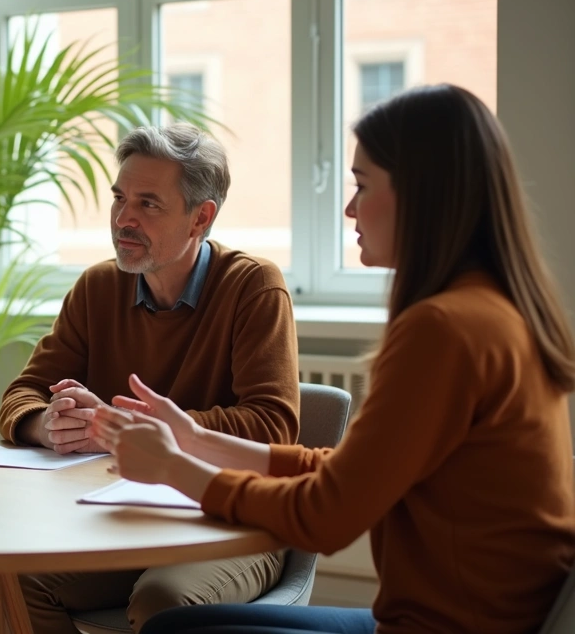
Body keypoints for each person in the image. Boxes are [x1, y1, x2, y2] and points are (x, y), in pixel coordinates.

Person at [94, 84, 575, 634]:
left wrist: (173, 468)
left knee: (174, 628)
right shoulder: (491, 308)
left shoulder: (443, 328)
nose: (349, 207)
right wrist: (193, 437)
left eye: (362, 185)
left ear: (423, 194)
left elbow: (326, 516)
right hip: (473, 618)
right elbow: (349, 473)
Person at [0, 123, 301, 633]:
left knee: (164, 598)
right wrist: (44, 424)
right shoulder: (97, 286)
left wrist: (119, 427)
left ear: (200, 217)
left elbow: (274, 428)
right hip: (122, 518)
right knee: (12, 578)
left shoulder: (253, 287)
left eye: (148, 204)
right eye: (119, 198)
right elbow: (21, 395)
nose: (123, 219)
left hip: (231, 521)